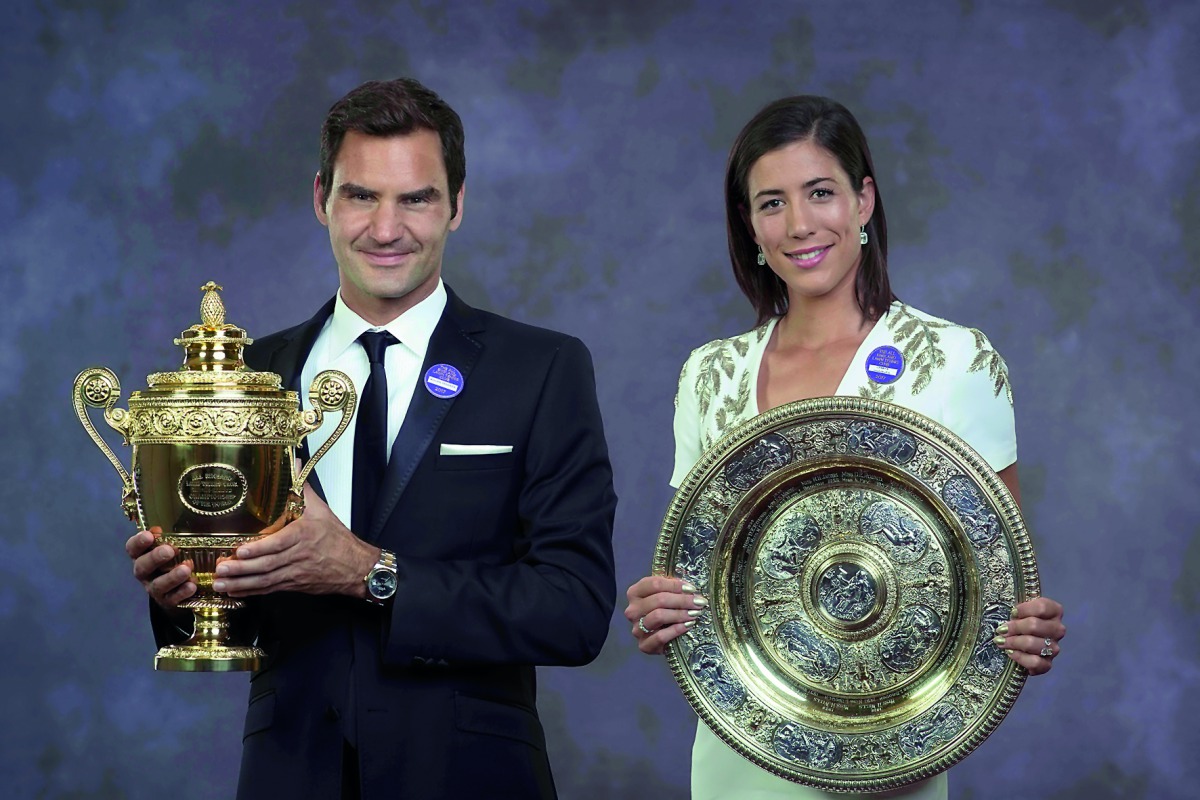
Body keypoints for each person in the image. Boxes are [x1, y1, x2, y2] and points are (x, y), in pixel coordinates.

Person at [125, 77, 617, 799]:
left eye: (415, 198)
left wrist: (370, 571)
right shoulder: (254, 377)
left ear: (457, 206)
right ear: (322, 198)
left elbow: (572, 611)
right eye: (362, 196)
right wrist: (181, 592)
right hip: (290, 774)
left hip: (472, 778)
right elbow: (237, 606)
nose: (386, 229)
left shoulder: (541, 369)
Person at [624, 96, 1066, 799]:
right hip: (743, 750)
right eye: (771, 203)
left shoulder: (955, 360)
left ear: (863, 201)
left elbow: (999, 577)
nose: (799, 224)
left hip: (895, 760)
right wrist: (662, 608)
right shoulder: (710, 374)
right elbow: (702, 565)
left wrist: (1026, 628)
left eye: (820, 193)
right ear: (751, 226)